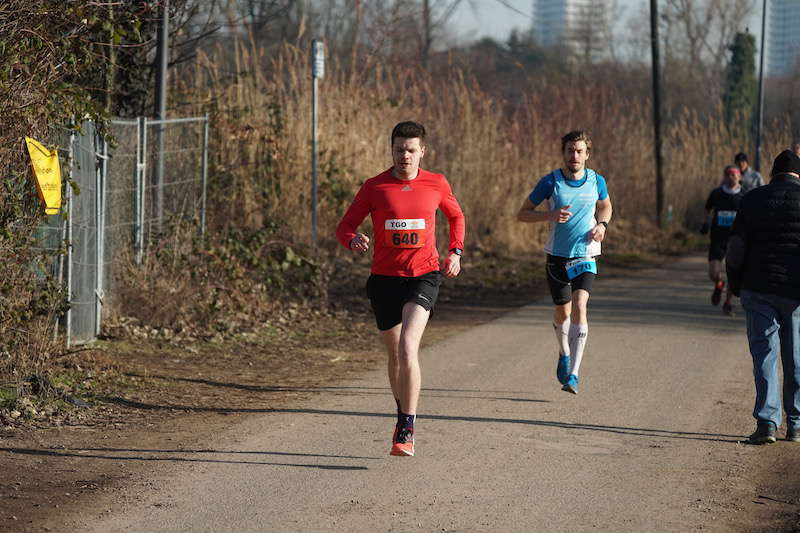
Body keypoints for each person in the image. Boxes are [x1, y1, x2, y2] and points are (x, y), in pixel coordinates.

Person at [335, 121, 465, 457]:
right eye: (398, 149)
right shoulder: (374, 187)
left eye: (410, 149)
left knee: (408, 348)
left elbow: (456, 216)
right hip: (383, 280)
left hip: (423, 276)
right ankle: (401, 410)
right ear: (391, 149)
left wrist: (455, 251)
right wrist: (353, 239)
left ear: (422, 151)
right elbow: (345, 227)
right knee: (394, 356)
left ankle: (407, 426)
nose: (404, 155)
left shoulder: (436, 183)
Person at [516, 130, 612, 394]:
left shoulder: (596, 180)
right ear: (564, 153)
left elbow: (605, 206)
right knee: (563, 312)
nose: (575, 156)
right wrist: (550, 215)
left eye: (580, 151)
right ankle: (564, 352)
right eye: (570, 150)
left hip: (586, 253)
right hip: (557, 256)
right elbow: (522, 214)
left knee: (581, 305)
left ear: (587, 154)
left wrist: (602, 225)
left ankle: (574, 375)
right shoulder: (550, 182)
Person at [726, 150, 800, 445]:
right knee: (796, 356)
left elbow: (735, 249)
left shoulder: (752, 199)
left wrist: (735, 284)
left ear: (772, 173)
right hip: (796, 292)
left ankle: (767, 423)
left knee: (764, 355)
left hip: (758, 288)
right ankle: (796, 424)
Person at [700, 165, 743, 316]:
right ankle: (719, 284)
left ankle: (728, 303)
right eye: (728, 174)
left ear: (740, 177)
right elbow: (707, 208)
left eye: (734, 174)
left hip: (735, 241)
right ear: (724, 177)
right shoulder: (717, 193)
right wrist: (705, 223)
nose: (731, 177)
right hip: (718, 238)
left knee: (732, 273)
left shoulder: (744, 196)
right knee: (713, 272)